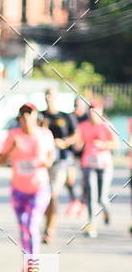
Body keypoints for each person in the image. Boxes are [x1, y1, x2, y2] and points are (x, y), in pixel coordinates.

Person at [0, 103, 55, 272]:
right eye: (22, 114)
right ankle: (28, 264)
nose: (26, 117)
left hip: (39, 188)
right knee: (24, 228)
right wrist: (12, 148)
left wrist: (46, 162)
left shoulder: (45, 134)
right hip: (18, 190)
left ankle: (33, 266)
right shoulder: (13, 135)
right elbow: (0, 160)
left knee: (31, 225)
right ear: (19, 118)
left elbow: (51, 156)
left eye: (29, 113)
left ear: (36, 115)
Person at [41, 87, 79, 243]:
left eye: (51, 95)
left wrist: (64, 142)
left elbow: (76, 135)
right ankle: (46, 222)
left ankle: (49, 230)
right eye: (46, 95)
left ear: (56, 97)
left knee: (52, 194)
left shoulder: (65, 116)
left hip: (60, 161)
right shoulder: (40, 116)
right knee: (44, 196)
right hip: (43, 163)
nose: (48, 97)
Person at [78, 103, 119, 238]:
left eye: (95, 111)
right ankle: (91, 226)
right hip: (88, 165)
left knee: (102, 198)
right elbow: (79, 141)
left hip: (104, 166)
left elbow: (117, 144)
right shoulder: (84, 126)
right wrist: (74, 144)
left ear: (101, 112)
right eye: (90, 111)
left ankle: (107, 211)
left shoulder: (107, 126)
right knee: (91, 197)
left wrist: (103, 144)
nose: (92, 114)